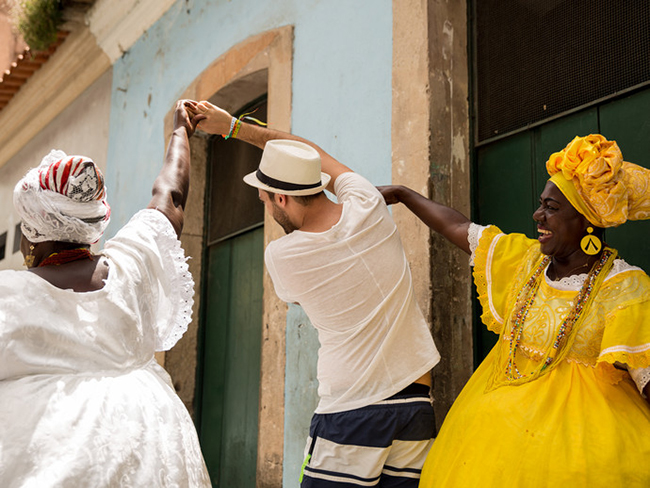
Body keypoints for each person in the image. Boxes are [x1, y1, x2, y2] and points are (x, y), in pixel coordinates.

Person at [188, 100, 440, 487]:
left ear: (283, 199)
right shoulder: (368, 202)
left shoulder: (283, 256)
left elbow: (297, 299)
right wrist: (233, 126)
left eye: (266, 196)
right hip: (415, 404)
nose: (262, 201)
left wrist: (231, 129)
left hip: (352, 411)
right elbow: (314, 154)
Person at [378, 134, 650, 487]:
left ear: (586, 219)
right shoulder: (525, 262)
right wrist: (404, 194)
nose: (538, 215)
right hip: (491, 439)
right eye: (541, 204)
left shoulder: (625, 286)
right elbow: (460, 228)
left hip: (584, 450)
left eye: (552, 208)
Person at [0, 101, 212, 487]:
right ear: (93, 225)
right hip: (155, 445)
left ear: (34, 233)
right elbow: (171, 194)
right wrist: (181, 131)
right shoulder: (133, 263)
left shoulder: (9, 297)